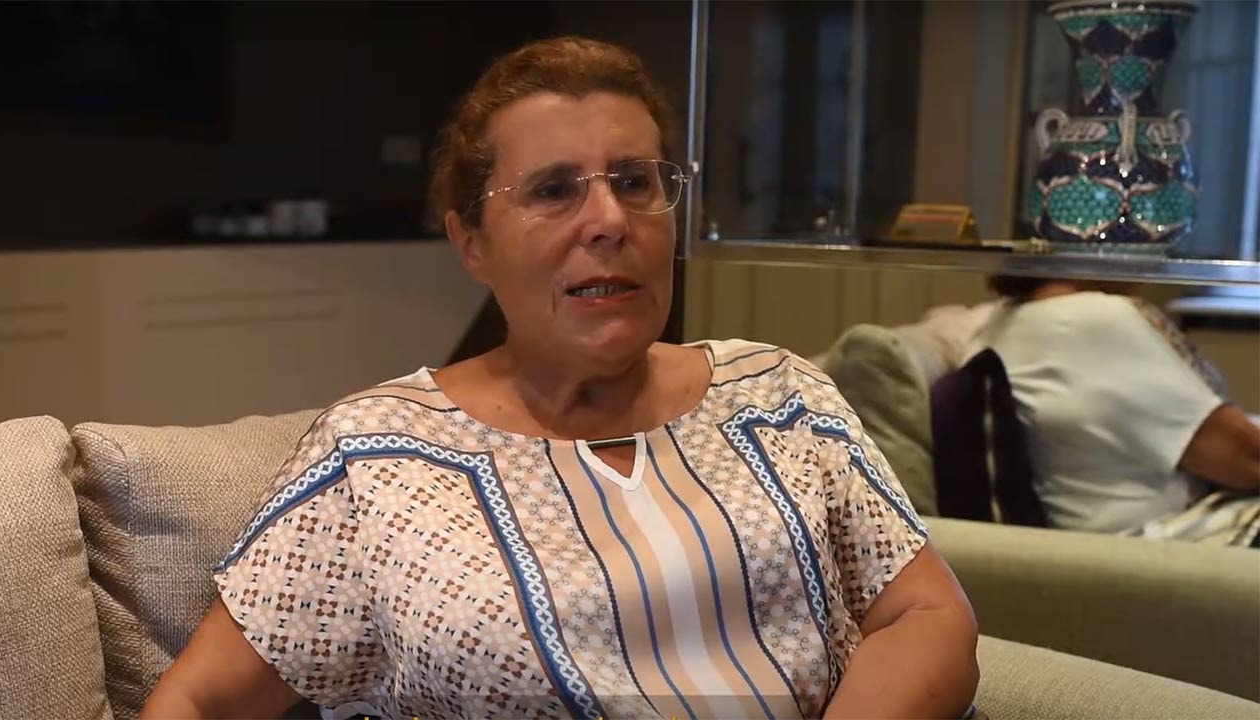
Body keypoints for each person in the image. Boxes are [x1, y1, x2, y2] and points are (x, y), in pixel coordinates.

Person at [140, 37, 979, 719]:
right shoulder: (377, 456)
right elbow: (201, 700)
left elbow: (928, 615)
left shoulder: (779, 394)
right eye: (553, 190)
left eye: (634, 182)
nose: (610, 220)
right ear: (472, 242)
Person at [967, 275, 1260, 543]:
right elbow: (1244, 458)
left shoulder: (1002, 319)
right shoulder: (1094, 317)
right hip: (1161, 544)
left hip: (1104, 544)